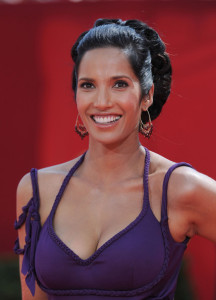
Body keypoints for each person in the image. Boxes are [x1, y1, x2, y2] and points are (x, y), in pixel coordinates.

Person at [14, 18, 216, 300]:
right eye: (88, 85)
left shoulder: (179, 189)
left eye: (119, 84)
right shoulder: (36, 190)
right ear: (75, 95)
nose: (102, 101)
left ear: (147, 96)